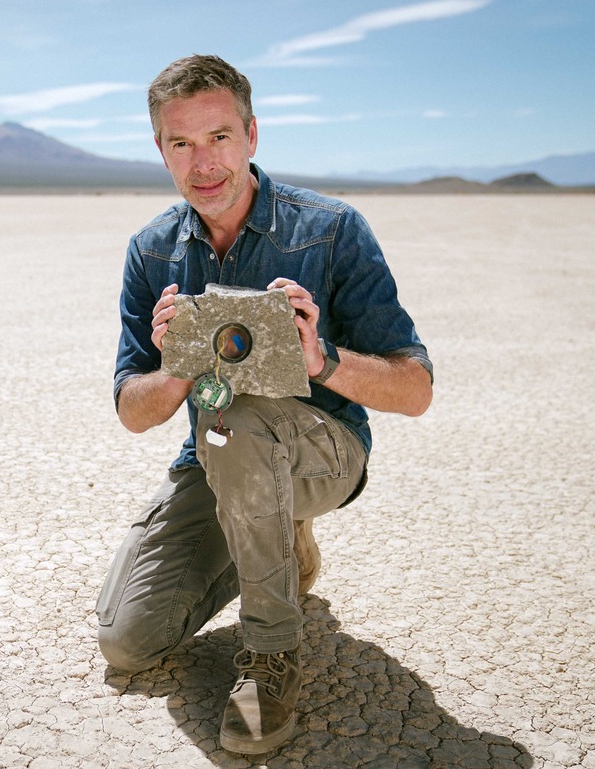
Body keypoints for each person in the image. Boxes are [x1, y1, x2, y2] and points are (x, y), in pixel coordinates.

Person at [96, 54, 433, 755]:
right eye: (181, 143)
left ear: (251, 135)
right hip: (212, 459)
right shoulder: (152, 252)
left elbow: (415, 388)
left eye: (219, 137)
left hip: (322, 450)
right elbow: (133, 410)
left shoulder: (331, 230)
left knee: (243, 415)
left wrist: (322, 359)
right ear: (160, 149)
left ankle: (272, 653)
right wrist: (177, 371)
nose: (203, 162)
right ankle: (276, 544)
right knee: (128, 642)